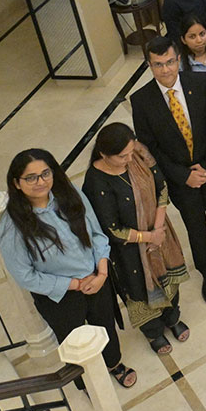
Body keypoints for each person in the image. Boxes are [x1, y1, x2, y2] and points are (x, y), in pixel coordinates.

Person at [0, 149, 136, 388]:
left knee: (105, 326)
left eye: (45, 173)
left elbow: (96, 234)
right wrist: (74, 284)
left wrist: (102, 272)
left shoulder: (69, 195)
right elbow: (25, 276)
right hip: (60, 296)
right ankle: (86, 382)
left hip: (96, 278)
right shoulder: (12, 227)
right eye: (31, 178)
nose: (40, 182)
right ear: (16, 183)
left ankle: (113, 363)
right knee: (73, 341)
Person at [131, 37, 206, 302]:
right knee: (195, 227)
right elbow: (150, 149)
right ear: (149, 65)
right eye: (158, 65)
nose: (166, 70)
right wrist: (184, 176)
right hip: (181, 180)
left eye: (170, 62)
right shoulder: (141, 100)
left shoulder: (200, 82)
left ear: (179, 60)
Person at [84, 123, 190, 355]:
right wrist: (148, 237)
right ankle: (153, 331)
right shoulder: (96, 182)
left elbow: (161, 187)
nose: (130, 159)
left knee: (167, 278)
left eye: (131, 152)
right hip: (128, 250)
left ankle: (172, 317)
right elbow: (111, 229)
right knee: (139, 288)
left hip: (159, 233)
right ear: (104, 154)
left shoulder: (138, 155)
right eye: (122, 156)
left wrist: (158, 229)